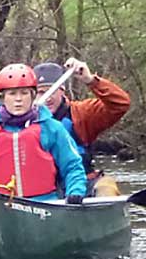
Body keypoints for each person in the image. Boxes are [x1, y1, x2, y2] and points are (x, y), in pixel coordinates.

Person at [0, 63, 86, 218]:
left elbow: (72, 166)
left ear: (33, 95)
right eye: (12, 94)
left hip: (45, 206)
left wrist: (75, 191)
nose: (18, 99)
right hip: (0, 208)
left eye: (24, 93)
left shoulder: (52, 128)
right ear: (2, 97)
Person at [33, 58, 132, 197]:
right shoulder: (24, 121)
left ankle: (104, 211)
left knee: (106, 186)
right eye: (40, 92)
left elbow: (120, 104)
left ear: (62, 90)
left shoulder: (81, 113)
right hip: (45, 189)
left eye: (52, 91)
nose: (47, 98)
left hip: (83, 182)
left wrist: (91, 80)